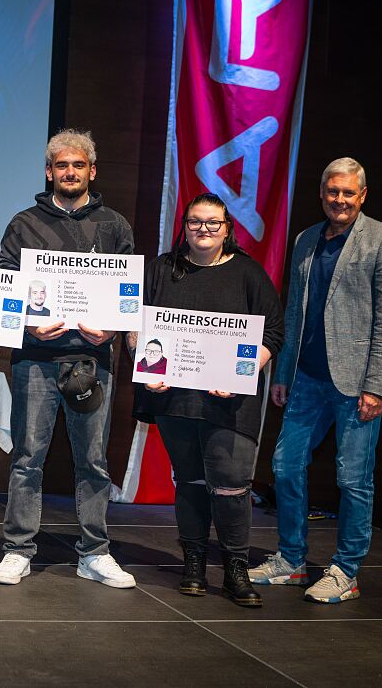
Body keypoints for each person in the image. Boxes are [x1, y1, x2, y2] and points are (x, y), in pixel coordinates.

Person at [250, 158, 382, 604]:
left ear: (363, 195)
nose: (339, 200)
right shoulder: (306, 239)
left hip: (358, 383)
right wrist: (282, 372)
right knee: (284, 467)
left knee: (353, 479)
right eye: (332, 192)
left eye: (348, 193)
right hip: (306, 377)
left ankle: (346, 570)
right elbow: (294, 313)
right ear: (322, 194)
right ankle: (292, 560)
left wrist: (377, 385)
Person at [0, 128, 137, 589]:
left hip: (92, 360)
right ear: (49, 171)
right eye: (61, 165)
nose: (69, 172)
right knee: (27, 458)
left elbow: (128, 294)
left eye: (78, 165)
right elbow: (5, 288)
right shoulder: (23, 223)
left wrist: (112, 328)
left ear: (92, 172)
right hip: (35, 358)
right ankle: (18, 550)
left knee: (92, 460)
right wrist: (28, 326)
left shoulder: (114, 225)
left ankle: (94, 552)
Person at [132, 193, 283, 607]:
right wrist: (146, 368)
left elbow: (273, 333)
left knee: (231, 486)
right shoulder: (163, 268)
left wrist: (243, 374)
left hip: (228, 403)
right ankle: (194, 563)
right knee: (191, 483)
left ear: (227, 228)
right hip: (175, 401)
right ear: (184, 225)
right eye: (196, 221)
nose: (204, 229)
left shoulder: (249, 274)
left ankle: (235, 568)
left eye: (213, 223)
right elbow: (135, 324)